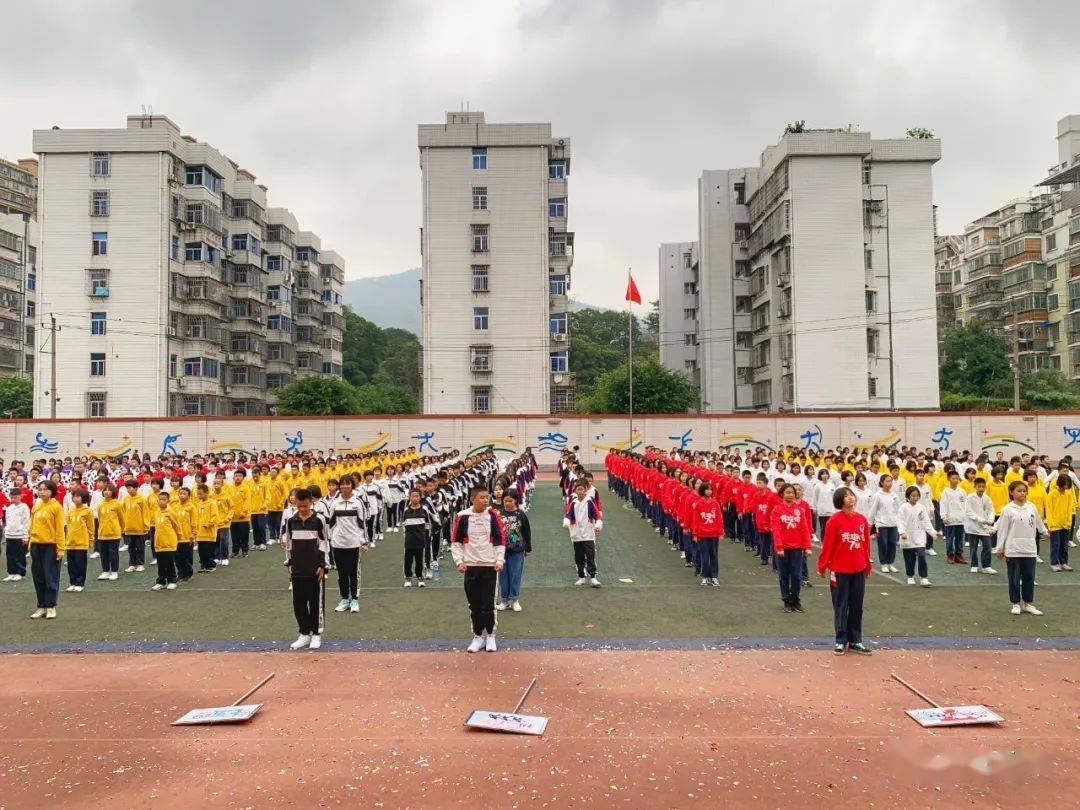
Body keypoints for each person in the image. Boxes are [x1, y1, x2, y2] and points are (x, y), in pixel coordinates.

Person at [450, 484, 507, 653]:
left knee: (488, 603)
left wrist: (499, 560)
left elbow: (500, 540)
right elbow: (456, 541)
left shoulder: (493, 515)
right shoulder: (463, 517)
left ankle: (490, 635)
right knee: (474, 604)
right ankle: (477, 636)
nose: (485, 500)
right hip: (470, 566)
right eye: (481, 497)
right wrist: (459, 561)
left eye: (487, 497)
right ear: (472, 499)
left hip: (489, 566)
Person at [817, 486, 873, 655]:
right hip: (840, 570)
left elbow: (865, 544)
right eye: (846, 496)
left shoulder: (862, 520)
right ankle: (841, 640)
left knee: (857, 605)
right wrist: (822, 565)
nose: (850, 498)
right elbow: (828, 545)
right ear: (840, 501)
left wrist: (867, 564)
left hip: (858, 568)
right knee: (841, 605)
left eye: (851, 495)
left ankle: (856, 640)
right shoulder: (834, 521)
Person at [284, 487, 330, 650]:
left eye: (305, 506)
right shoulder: (291, 521)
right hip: (297, 569)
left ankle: (316, 634)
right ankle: (304, 633)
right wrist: (289, 563)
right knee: (299, 603)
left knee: (316, 603)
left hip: (314, 569)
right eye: (299, 506)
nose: (302, 509)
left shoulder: (319, 520)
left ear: (311, 503)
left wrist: (322, 565)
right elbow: (289, 543)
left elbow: (324, 543)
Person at [995, 481, 1047, 615]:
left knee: (1029, 576)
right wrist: (1000, 548)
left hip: (1029, 548)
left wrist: (1044, 531)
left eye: (1024, 491)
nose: (1023, 493)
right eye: (1019, 491)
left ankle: (1027, 603)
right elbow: (1002, 530)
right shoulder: (1008, 509)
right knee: (1014, 577)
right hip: (1013, 549)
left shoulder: (1031, 507)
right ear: (1011, 492)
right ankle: (1016, 603)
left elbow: (1038, 522)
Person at [329, 474, 368, 613]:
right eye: (342, 484)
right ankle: (345, 599)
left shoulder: (358, 502)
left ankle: (355, 600)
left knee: (353, 572)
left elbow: (362, 523)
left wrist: (364, 541)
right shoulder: (335, 503)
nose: (345, 486)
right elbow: (330, 524)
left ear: (352, 485)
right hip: (338, 543)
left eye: (348, 483)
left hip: (354, 543)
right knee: (342, 573)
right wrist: (329, 540)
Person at [770, 483, 812, 612]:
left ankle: (795, 600)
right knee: (783, 575)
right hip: (782, 549)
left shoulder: (800, 510)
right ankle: (786, 601)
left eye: (792, 493)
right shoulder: (777, 510)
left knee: (796, 575)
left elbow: (804, 529)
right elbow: (776, 529)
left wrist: (807, 546)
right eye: (787, 492)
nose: (790, 495)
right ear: (782, 494)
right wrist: (779, 547)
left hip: (797, 548)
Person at [28, 480, 65, 619]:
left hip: (51, 546)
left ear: (52, 491)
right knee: (38, 576)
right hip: (36, 545)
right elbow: (32, 526)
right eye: (40, 489)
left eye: (45, 489)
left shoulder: (56, 507)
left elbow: (60, 529)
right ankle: (41, 606)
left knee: (50, 576)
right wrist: (31, 542)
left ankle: (50, 606)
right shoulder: (36, 506)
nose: (42, 492)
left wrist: (60, 549)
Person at [563, 479, 603, 587]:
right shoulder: (573, 503)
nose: (580, 492)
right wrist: (566, 522)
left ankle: (593, 577)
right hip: (576, 535)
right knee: (579, 557)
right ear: (575, 491)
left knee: (590, 556)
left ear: (586, 491)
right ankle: (581, 577)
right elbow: (568, 514)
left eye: (582, 489)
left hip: (588, 534)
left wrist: (598, 524)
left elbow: (597, 515)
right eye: (578, 489)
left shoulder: (589, 502)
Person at [497, 489, 532, 610]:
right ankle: (504, 600)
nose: (507, 503)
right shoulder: (498, 514)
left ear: (516, 500)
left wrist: (528, 548)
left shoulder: (520, 514)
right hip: (501, 550)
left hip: (517, 550)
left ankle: (515, 599)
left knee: (515, 574)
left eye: (510, 501)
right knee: (503, 576)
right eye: (505, 501)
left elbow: (526, 531)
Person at [897, 486, 938, 587]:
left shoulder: (921, 507)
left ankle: (924, 578)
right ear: (908, 496)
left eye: (917, 496)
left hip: (919, 535)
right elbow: (900, 521)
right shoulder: (903, 507)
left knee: (921, 555)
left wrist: (932, 532)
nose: (915, 498)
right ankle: (910, 576)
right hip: (907, 536)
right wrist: (902, 532)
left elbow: (926, 521)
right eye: (913, 496)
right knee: (909, 558)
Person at [868, 474, 901, 573]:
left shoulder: (894, 495)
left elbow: (898, 509)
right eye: (887, 481)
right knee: (883, 544)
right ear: (882, 482)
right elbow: (872, 510)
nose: (889, 483)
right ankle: (884, 564)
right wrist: (870, 523)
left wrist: (899, 522)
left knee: (892, 544)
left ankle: (891, 563)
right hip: (881, 524)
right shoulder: (877, 495)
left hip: (893, 524)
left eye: (890, 481)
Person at [692, 482, 722, 586]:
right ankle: (705, 576)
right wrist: (695, 534)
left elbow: (719, 518)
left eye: (710, 489)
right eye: (707, 489)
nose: (709, 491)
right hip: (702, 535)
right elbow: (696, 520)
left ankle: (714, 576)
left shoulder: (715, 503)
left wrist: (720, 532)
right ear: (702, 490)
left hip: (713, 535)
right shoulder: (698, 504)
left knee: (714, 556)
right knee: (704, 556)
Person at [964, 477, 997, 574]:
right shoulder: (970, 497)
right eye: (979, 486)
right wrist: (981, 520)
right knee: (973, 547)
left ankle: (986, 566)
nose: (981, 488)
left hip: (985, 527)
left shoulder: (987, 498)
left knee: (987, 546)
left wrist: (991, 519)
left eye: (983, 486)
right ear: (975, 487)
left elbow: (991, 510)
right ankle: (974, 565)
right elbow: (969, 512)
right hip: (973, 526)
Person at [64, 489, 95, 592]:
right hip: (70, 542)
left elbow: (90, 527)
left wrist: (90, 540)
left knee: (80, 563)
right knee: (71, 564)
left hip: (81, 542)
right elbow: (68, 526)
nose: (75, 498)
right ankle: (72, 582)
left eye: (78, 496)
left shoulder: (87, 511)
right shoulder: (71, 510)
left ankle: (80, 583)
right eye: (74, 496)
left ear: (83, 498)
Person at [150, 491, 181, 591]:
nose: (161, 501)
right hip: (159, 542)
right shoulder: (156, 512)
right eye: (160, 500)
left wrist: (178, 537)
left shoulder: (171, 512)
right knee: (161, 563)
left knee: (169, 562)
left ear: (168, 501)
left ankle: (172, 580)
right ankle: (161, 581)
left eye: (164, 500)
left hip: (169, 542)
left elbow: (177, 526)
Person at [1045, 474, 1076, 572]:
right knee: (1055, 545)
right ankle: (1054, 563)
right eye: (1065, 484)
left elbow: (1070, 509)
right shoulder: (1052, 494)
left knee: (1064, 545)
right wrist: (1051, 524)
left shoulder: (1068, 494)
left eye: (1068, 484)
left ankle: (1064, 563)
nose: (1067, 486)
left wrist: (1069, 522)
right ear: (1060, 483)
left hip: (1065, 524)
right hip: (1055, 525)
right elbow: (1049, 510)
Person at [401, 488, 429, 588]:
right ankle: (408, 578)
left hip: (420, 540)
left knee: (419, 560)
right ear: (409, 497)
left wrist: (426, 536)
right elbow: (404, 524)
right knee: (408, 560)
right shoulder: (406, 511)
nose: (415, 498)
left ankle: (420, 577)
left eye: (417, 496)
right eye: (412, 496)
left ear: (420, 497)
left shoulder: (424, 510)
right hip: (409, 540)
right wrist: (406, 536)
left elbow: (428, 524)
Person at [939, 469, 968, 564]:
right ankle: (950, 555)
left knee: (960, 538)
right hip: (950, 519)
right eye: (953, 478)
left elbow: (966, 504)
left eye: (957, 478)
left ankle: (958, 555)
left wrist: (966, 516)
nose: (955, 480)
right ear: (949, 479)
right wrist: (944, 517)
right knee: (950, 538)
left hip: (961, 519)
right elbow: (943, 504)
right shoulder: (946, 492)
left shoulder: (962, 491)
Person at [121, 479, 150, 573]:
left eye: (130, 488)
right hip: (129, 528)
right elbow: (123, 512)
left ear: (136, 488)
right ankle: (132, 564)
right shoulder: (126, 499)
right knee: (131, 548)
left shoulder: (142, 499)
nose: (129, 490)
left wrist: (146, 525)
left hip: (139, 528)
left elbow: (146, 512)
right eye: (127, 488)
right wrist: (123, 526)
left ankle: (140, 564)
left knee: (140, 547)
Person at [3, 485, 29, 582]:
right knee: (10, 555)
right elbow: (8, 521)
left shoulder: (24, 507)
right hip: (10, 535)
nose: (13, 499)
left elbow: (26, 522)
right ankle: (11, 573)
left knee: (19, 555)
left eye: (16, 497)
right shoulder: (9, 508)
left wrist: (25, 536)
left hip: (19, 535)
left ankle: (20, 573)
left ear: (21, 496)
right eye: (12, 497)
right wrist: (7, 531)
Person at [193, 484, 219, 572]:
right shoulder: (198, 504)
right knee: (201, 550)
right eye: (198, 493)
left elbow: (215, 516)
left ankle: (211, 565)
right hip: (200, 533)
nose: (198, 495)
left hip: (209, 532)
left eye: (200, 493)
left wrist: (209, 523)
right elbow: (196, 517)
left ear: (207, 493)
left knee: (209, 550)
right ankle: (203, 565)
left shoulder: (212, 503)